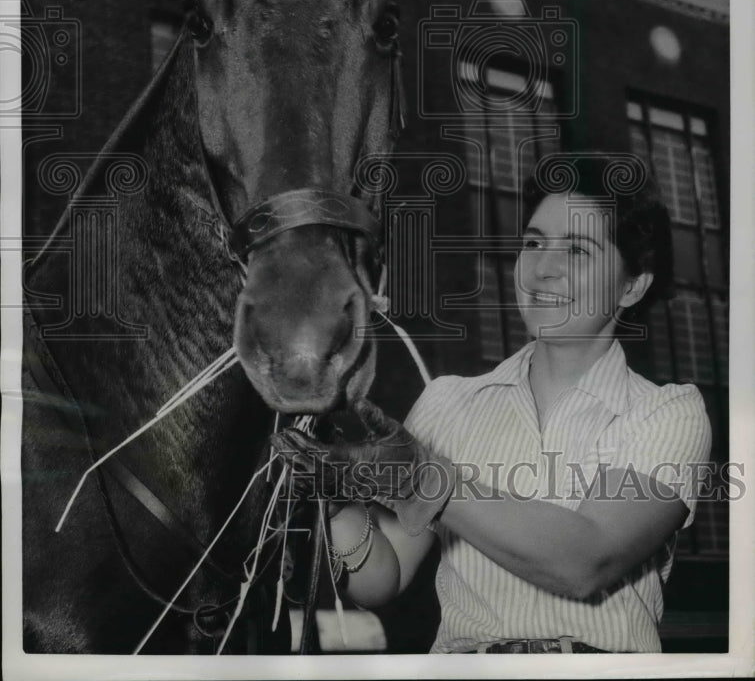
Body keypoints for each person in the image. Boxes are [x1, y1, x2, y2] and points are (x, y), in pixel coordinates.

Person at [273, 154, 712, 654]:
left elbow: (586, 561)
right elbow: (385, 576)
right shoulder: (449, 402)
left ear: (633, 286)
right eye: (533, 243)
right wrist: (331, 493)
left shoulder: (665, 413)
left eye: (577, 251)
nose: (543, 269)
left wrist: (423, 477)